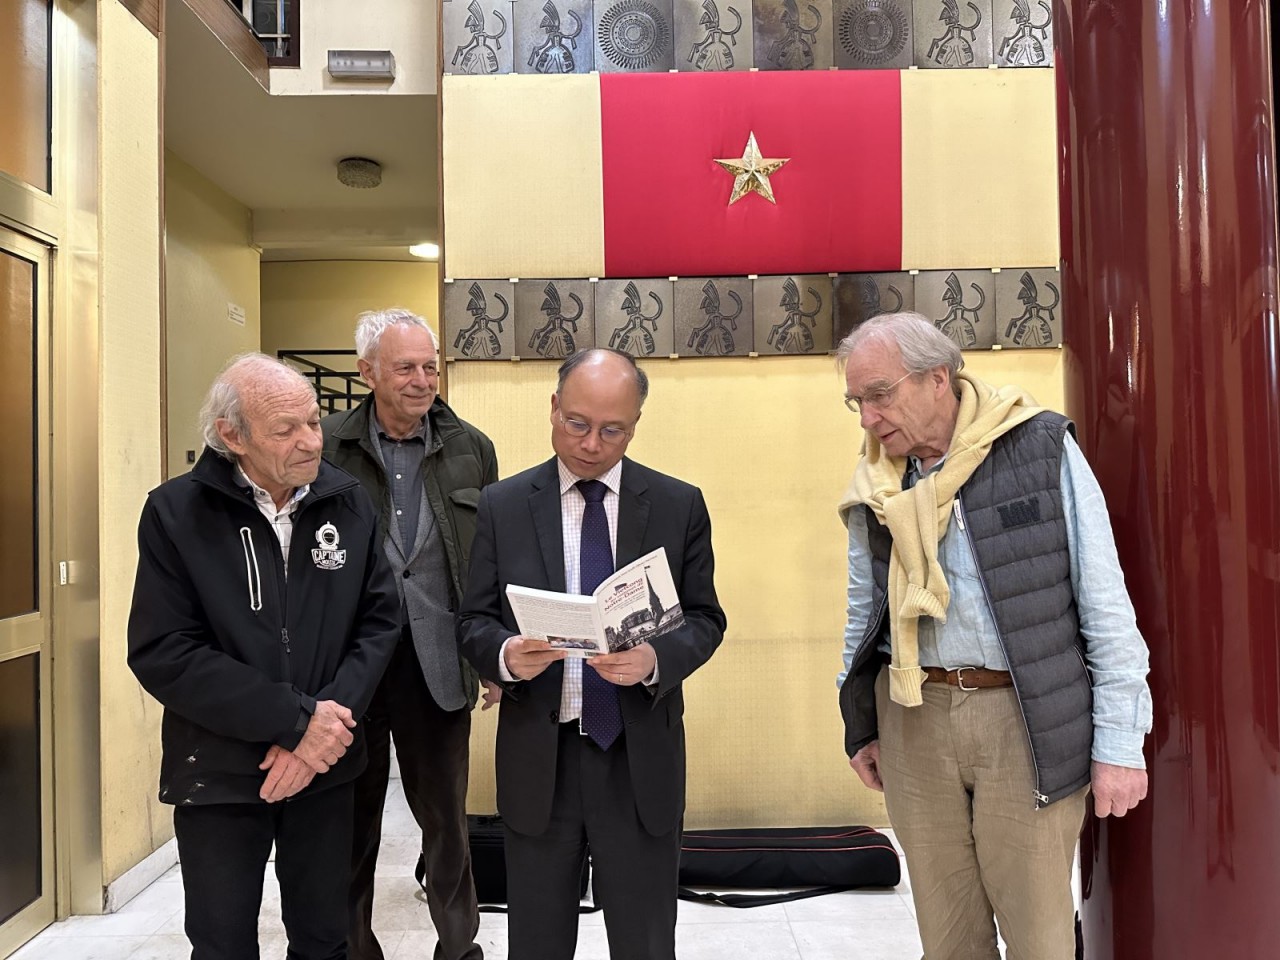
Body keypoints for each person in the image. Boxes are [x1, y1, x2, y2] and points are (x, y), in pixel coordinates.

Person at [835, 313, 1153, 960]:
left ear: (936, 380)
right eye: (856, 402)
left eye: (879, 395)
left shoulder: (1039, 447)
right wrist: (861, 723)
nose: (867, 418)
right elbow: (863, 613)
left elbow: (1105, 604)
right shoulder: (878, 482)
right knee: (949, 939)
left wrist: (1122, 742)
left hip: (1023, 718)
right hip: (913, 717)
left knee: (1039, 938)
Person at [127, 354, 401, 960]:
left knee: (326, 937)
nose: (310, 441)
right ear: (232, 435)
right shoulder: (176, 513)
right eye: (285, 430)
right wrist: (295, 723)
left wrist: (322, 732)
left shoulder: (347, 502)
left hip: (328, 765)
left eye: (312, 421)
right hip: (221, 770)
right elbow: (163, 650)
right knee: (222, 941)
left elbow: (379, 622)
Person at [457, 348, 726, 960]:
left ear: (635, 424)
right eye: (577, 423)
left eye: (614, 430)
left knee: (645, 939)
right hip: (541, 761)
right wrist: (503, 656)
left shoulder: (677, 504)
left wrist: (655, 660)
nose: (592, 444)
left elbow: (707, 618)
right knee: (538, 940)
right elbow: (472, 619)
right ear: (553, 408)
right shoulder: (503, 505)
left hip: (637, 760)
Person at [321, 308, 498, 960]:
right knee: (349, 822)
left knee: (446, 824)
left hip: (439, 661)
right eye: (407, 368)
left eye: (431, 365)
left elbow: (490, 564)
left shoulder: (470, 448)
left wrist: (493, 660)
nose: (424, 380)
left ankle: (459, 949)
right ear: (368, 373)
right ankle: (351, 946)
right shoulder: (327, 447)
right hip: (350, 668)